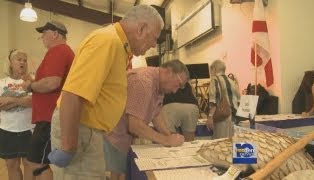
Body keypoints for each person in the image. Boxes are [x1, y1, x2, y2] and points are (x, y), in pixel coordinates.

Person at [48, 5, 164, 180]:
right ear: (141, 29)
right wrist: (69, 146)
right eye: (154, 38)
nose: (154, 44)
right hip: (80, 130)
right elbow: (72, 94)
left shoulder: (119, 46)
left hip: (90, 131)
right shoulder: (107, 41)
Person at [104, 59, 188, 180]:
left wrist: (169, 136)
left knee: (123, 173)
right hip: (114, 134)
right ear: (169, 72)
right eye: (177, 84)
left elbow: (156, 114)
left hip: (123, 136)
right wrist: (165, 140)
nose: (175, 91)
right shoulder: (143, 82)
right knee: (117, 175)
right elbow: (135, 125)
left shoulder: (159, 85)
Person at [21, 21, 75, 179]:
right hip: (49, 116)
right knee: (37, 162)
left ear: (55, 34)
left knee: (36, 162)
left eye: (43, 34)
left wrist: (30, 86)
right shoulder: (63, 51)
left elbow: (52, 82)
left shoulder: (57, 50)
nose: (42, 38)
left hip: (49, 117)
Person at [0, 49, 34, 180]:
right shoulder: (2, 83)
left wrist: (10, 99)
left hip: (28, 129)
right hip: (7, 130)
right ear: (10, 63)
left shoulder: (32, 81)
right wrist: (22, 100)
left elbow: (33, 102)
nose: (23, 62)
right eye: (19, 59)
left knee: (29, 164)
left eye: (25, 60)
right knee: (11, 165)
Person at [206, 60, 240, 139]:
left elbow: (213, 101)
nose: (211, 73)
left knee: (221, 144)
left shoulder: (215, 80)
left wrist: (210, 117)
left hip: (222, 118)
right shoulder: (232, 81)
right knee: (232, 144)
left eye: (211, 70)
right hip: (234, 118)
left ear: (214, 69)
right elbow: (238, 100)